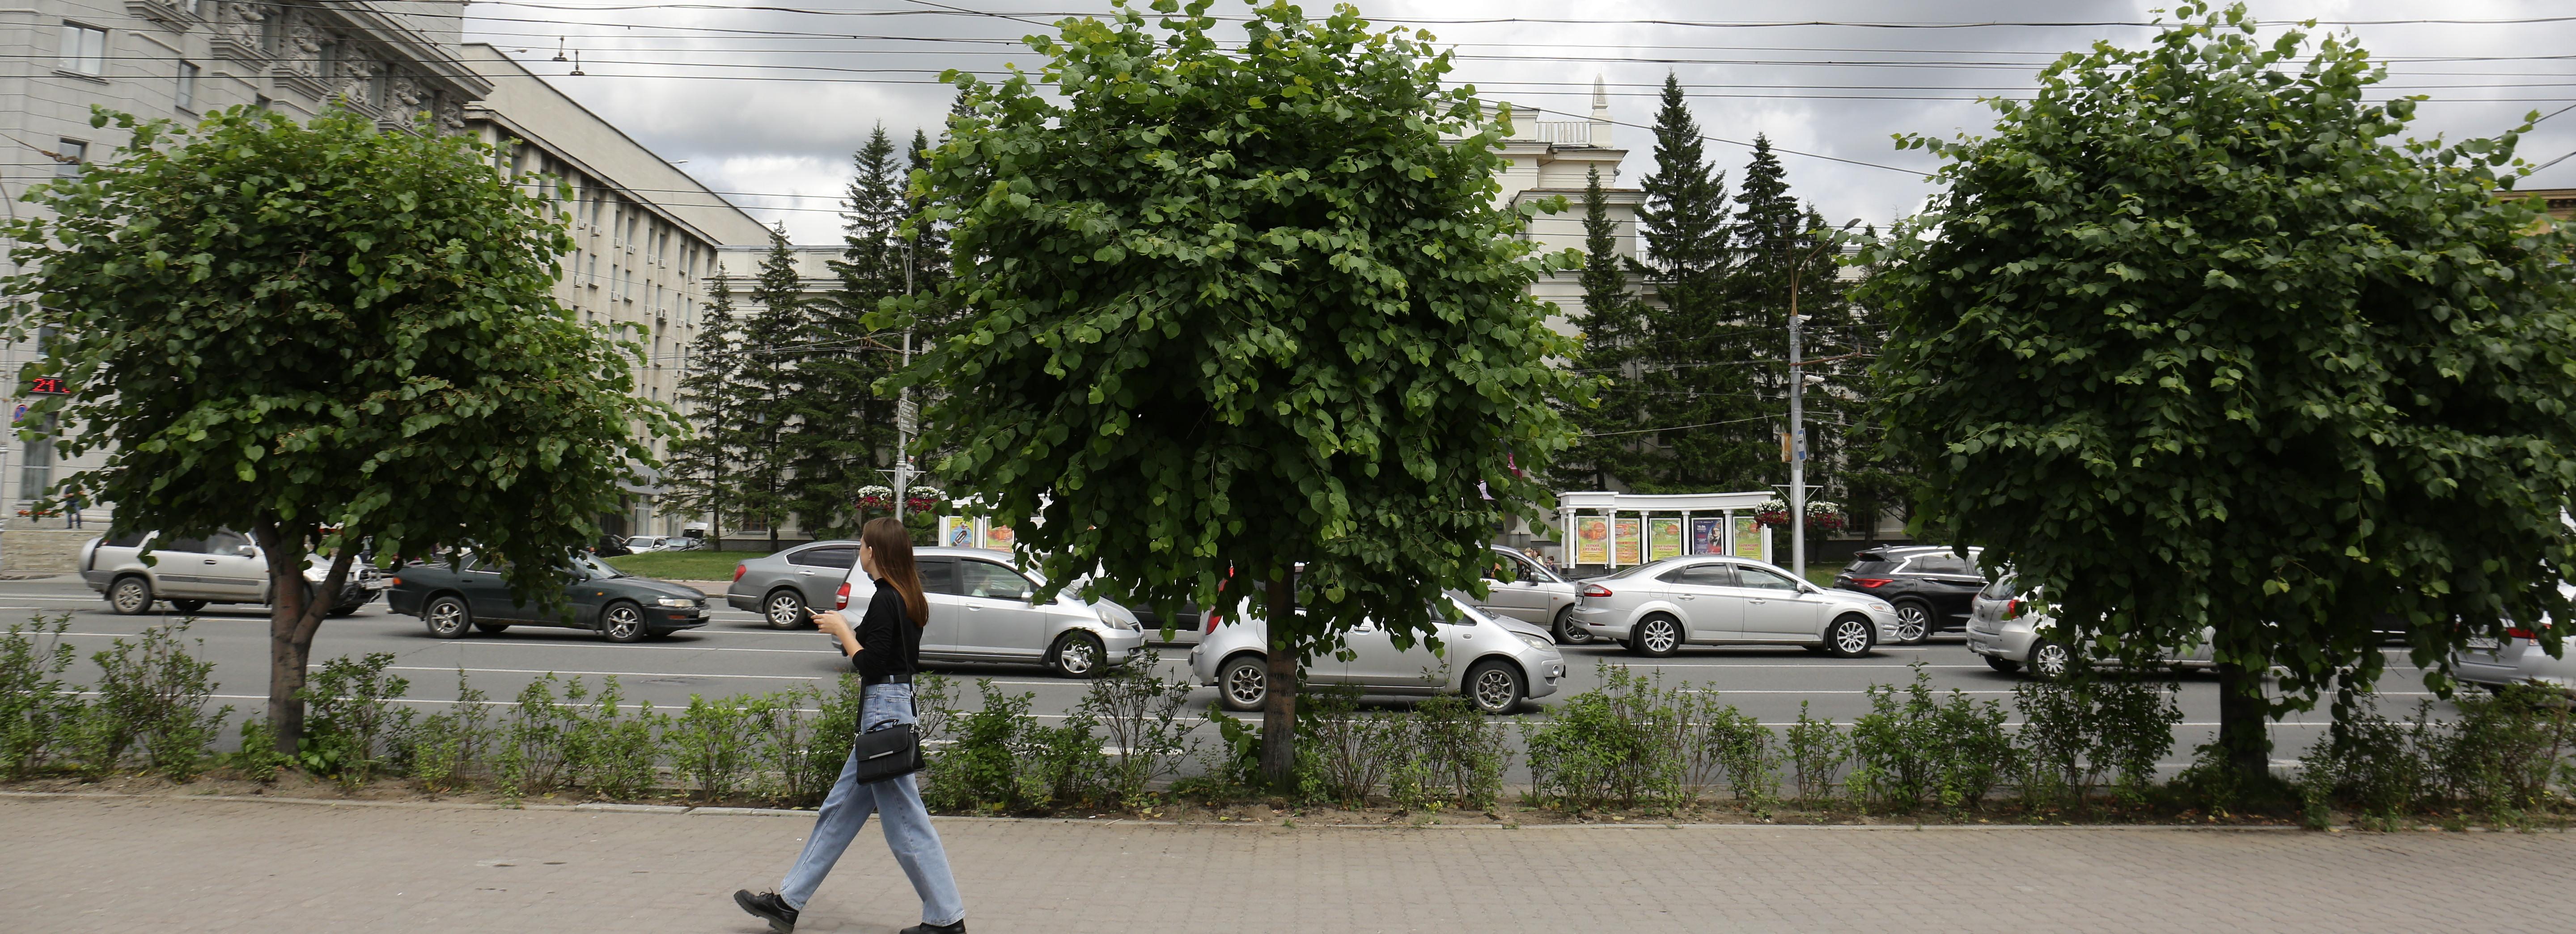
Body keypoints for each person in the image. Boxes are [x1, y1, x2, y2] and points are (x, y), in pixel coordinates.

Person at [735, 517, 966, 934]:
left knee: (908, 825)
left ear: (874, 552)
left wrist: (843, 629)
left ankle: (946, 919)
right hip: (891, 709)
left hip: (885, 712)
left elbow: (872, 664)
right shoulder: (904, 596)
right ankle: (788, 901)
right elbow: (883, 649)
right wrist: (839, 624)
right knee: (838, 812)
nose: (859, 550)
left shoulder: (886, 598)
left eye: (862, 543)